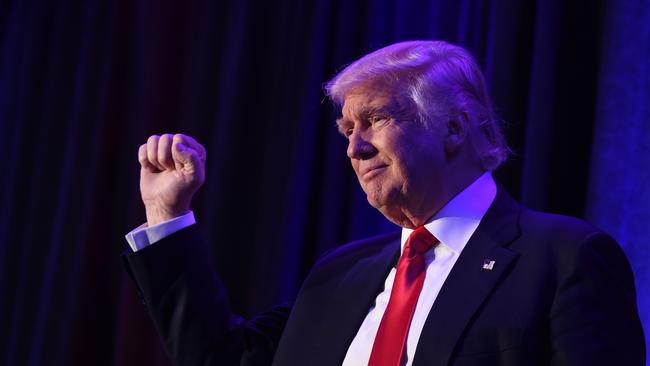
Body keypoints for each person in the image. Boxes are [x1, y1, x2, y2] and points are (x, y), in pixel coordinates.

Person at [123, 40, 645, 365]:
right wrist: (167, 218)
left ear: (456, 127)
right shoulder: (338, 276)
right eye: (346, 130)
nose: (354, 148)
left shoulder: (564, 259)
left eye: (375, 119)